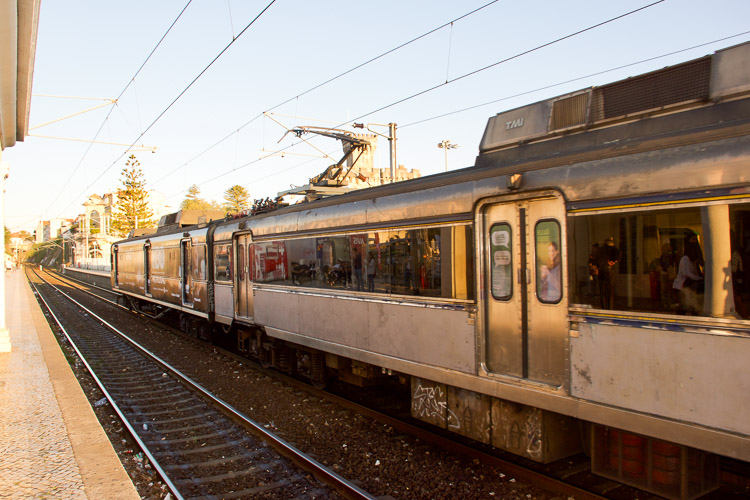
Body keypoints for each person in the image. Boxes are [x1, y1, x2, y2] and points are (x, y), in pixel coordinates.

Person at [673, 233, 704, 315]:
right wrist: (699, 278)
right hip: (682, 286)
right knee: (684, 307)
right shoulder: (685, 259)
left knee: (692, 306)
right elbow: (687, 273)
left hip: (690, 285)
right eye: (692, 240)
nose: (694, 242)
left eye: (695, 240)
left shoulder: (693, 260)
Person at [597, 237, 621, 309]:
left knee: (602, 291)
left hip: (601, 271)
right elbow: (618, 256)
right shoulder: (614, 249)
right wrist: (613, 262)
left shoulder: (600, 249)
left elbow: (596, 259)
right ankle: (610, 307)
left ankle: (603, 307)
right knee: (610, 290)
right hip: (610, 271)